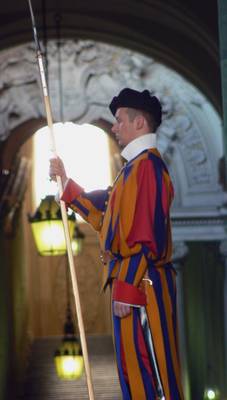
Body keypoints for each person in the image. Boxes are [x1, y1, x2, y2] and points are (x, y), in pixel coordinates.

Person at [49, 88, 184, 400]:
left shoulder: (147, 166)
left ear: (139, 124)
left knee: (149, 367)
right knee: (133, 366)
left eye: (119, 120)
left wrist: (126, 286)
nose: (114, 126)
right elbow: (106, 219)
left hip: (142, 282)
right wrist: (66, 184)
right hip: (134, 280)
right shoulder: (133, 169)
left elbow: (145, 234)